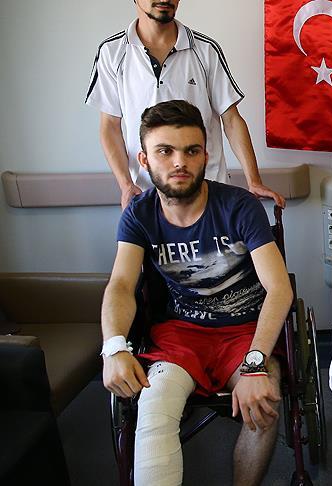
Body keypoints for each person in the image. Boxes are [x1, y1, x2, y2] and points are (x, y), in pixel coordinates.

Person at [100, 100, 293, 485]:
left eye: (191, 151)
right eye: (165, 151)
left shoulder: (239, 206)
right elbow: (120, 285)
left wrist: (256, 363)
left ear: (205, 155)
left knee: (264, 399)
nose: (179, 162)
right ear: (144, 159)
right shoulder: (139, 214)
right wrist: (115, 347)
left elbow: (279, 288)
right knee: (154, 408)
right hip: (181, 333)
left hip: (245, 331)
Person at [85, 0, 284, 209]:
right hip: (149, 196)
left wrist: (254, 180)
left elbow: (232, 120)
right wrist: (126, 184)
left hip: (208, 193)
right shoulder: (112, 52)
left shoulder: (206, 49)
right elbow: (110, 126)